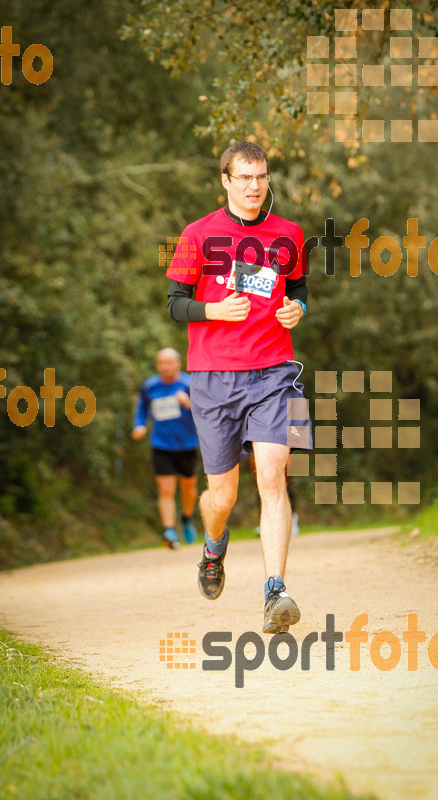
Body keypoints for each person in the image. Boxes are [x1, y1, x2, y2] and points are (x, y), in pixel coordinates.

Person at [166, 140, 311, 634]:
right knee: (221, 497)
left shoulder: (289, 234)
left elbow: (297, 286)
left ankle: (276, 592)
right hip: (212, 376)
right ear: (226, 180)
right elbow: (174, 303)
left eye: (261, 177)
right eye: (244, 177)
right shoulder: (198, 234)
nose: (254, 186)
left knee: (272, 475)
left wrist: (299, 309)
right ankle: (213, 545)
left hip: (274, 369)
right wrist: (213, 310)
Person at [132, 348, 199, 548]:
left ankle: (186, 517)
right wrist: (139, 424)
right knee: (165, 488)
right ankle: (169, 530)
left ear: (178, 364)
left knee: (188, 489)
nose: (164, 367)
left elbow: (205, 410)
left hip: (187, 444)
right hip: (161, 444)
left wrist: (188, 403)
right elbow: (142, 407)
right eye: (161, 363)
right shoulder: (150, 386)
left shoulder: (189, 384)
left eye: (168, 363)